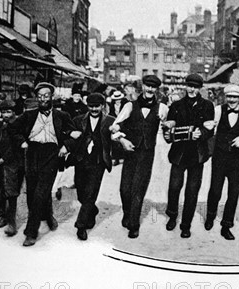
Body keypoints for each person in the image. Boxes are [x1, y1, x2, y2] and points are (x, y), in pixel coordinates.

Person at [9, 82, 75, 247]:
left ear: (52, 96)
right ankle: (48, 216)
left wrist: (66, 145)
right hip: (32, 154)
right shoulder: (29, 115)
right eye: (39, 96)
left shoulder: (62, 116)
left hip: (52, 155)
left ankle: (31, 232)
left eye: (46, 95)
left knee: (41, 191)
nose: (43, 99)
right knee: (32, 193)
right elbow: (12, 129)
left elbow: (75, 134)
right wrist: (22, 142)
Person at [113, 75, 168, 238]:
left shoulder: (162, 108)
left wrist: (168, 125)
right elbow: (115, 127)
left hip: (147, 152)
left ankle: (134, 224)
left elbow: (169, 126)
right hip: (131, 151)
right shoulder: (130, 106)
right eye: (147, 86)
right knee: (124, 189)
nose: (150, 89)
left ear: (156, 89)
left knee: (138, 188)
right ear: (142, 87)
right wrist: (122, 140)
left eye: (153, 87)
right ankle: (127, 212)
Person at [163, 74, 215, 238]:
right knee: (174, 187)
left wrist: (202, 133)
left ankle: (186, 225)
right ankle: (172, 216)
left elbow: (210, 128)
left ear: (200, 88)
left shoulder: (207, 105)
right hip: (179, 153)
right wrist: (167, 132)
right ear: (185, 87)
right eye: (189, 86)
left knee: (192, 190)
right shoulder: (176, 105)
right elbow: (170, 126)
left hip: (197, 154)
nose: (192, 90)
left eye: (195, 87)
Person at [205, 85, 239, 240]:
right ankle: (210, 215)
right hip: (220, 157)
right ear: (225, 97)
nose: (232, 100)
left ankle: (226, 225)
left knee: (233, 192)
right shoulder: (218, 110)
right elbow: (211, 131)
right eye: (229, 97)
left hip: (237, 158)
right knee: (215, 189)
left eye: (235, 97)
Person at [67, 93, 115, 241]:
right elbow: (69, 134)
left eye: (97, 106)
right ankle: (92, 211)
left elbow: (117, 136)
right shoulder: (78, 120)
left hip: (98, 161)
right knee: (81, 194)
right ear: (87, 106)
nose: (94, 109)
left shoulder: (110, 121)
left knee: (90, 193)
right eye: (91, 106)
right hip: (81, 160)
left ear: (102, 106)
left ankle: (81, 226)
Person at [0, 99, 25, 236]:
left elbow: (16, 147)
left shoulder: (17, 127)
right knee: (1, 189)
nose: (5, 115)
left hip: (13, 164)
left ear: (14, 112)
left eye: (8, 111)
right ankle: (3, 215)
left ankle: (12, 222)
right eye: (3, 112)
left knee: (11, 192)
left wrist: (5, 158)